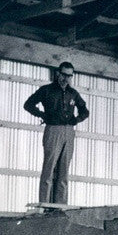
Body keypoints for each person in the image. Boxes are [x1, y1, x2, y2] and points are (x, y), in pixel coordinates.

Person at [23, 62, 89, 204]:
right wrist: (42, 115)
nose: (66, 79)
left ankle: (61, 206)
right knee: (49, 167)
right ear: (58, 73)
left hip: (69, 132)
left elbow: (85, 111)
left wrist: (76, 119)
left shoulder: (73, 93)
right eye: (64, 75)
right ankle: (44, 204)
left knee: (64, 170)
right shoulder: (46, 90)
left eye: (69, 76)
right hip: (53, 129)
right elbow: (28, 104)